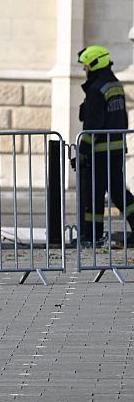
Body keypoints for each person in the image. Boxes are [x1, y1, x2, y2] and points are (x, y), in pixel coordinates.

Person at [77, 44, 134, 252]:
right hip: (116, 150)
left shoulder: (96, 89)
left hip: (100, 152)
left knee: (93, 194)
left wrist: (82, 152)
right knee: (119, 193)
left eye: (86, 67)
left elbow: (92, 125)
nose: (85, 71)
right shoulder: (114, 85)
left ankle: (91, 236)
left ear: (94, 64)